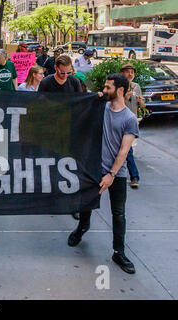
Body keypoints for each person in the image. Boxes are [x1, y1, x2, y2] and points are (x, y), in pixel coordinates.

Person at [68, 73, 139, 275]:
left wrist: (111, 175)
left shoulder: (129, 119)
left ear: (120, 90)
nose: (105, 90)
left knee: (118, 213)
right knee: (86, 204)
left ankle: (119, 252)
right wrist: (93, 98)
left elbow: (124, 151)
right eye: (105, 87)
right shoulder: (102, 107)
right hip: (93, 169)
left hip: (116, 173)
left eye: (109, 87)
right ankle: (82, 228)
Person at [38, 55, 82, 220]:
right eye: (62, 73)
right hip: (51, 129)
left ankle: (71, 202)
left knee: (70, 165)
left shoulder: (74, 82)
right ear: (56, 68)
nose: (65, 76)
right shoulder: (47, 82)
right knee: (51, 163)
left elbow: (80, 102)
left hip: (69, 129)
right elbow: (40, 104)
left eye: (68, 72)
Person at [120, 63, 143, 188]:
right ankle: (132, 176)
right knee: (125, 150)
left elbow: (142, 105)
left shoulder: (136, 86)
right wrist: (125, 98)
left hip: (131, 122)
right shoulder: (119, 86)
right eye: (127, 72)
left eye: (132, 72)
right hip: (119, 122)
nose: (130, 74)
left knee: (127, 150)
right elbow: (113, 104)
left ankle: (134, 176)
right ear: (122, 73)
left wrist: (141, 102)